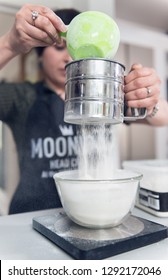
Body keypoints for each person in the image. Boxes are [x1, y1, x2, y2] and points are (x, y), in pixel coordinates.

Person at [0, 4, 167, 214]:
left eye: (75, 48)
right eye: (60, 47)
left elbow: (164, 116)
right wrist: (9, 44)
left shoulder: (102, 94)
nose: (69, 56)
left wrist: (147, 98)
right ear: (40, 56)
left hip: (95, 211)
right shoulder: (22, 97)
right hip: (32, 215)